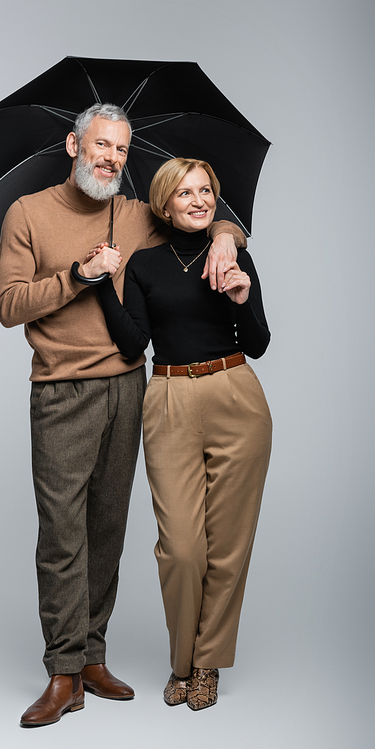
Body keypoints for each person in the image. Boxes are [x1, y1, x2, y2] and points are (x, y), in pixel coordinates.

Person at [0, 104, 247, 726]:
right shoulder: (27, 213)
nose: (111, 158)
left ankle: (92, 657)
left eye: (122, 151)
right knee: (62, 533)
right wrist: (78, 275)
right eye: (101, 145)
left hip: (131, 387)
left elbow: (205, 219)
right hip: (60, 391)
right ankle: (62, 672)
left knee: (108, 524)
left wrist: (222, 236)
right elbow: (7, 304)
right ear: (73, 143)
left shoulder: (134, 216)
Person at [93, 157, 272, 711]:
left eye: (207, 191)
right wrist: (102, 282)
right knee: (182, 549)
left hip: (236, 394)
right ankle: (181, 660)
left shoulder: (234, 253)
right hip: (168, 397)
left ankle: (206, 666)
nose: (198, 200)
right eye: (185, 192)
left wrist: (242, 297)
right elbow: (131, 344)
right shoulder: (145, 264)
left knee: (228, 547)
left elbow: (260, 341)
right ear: (164, 203)